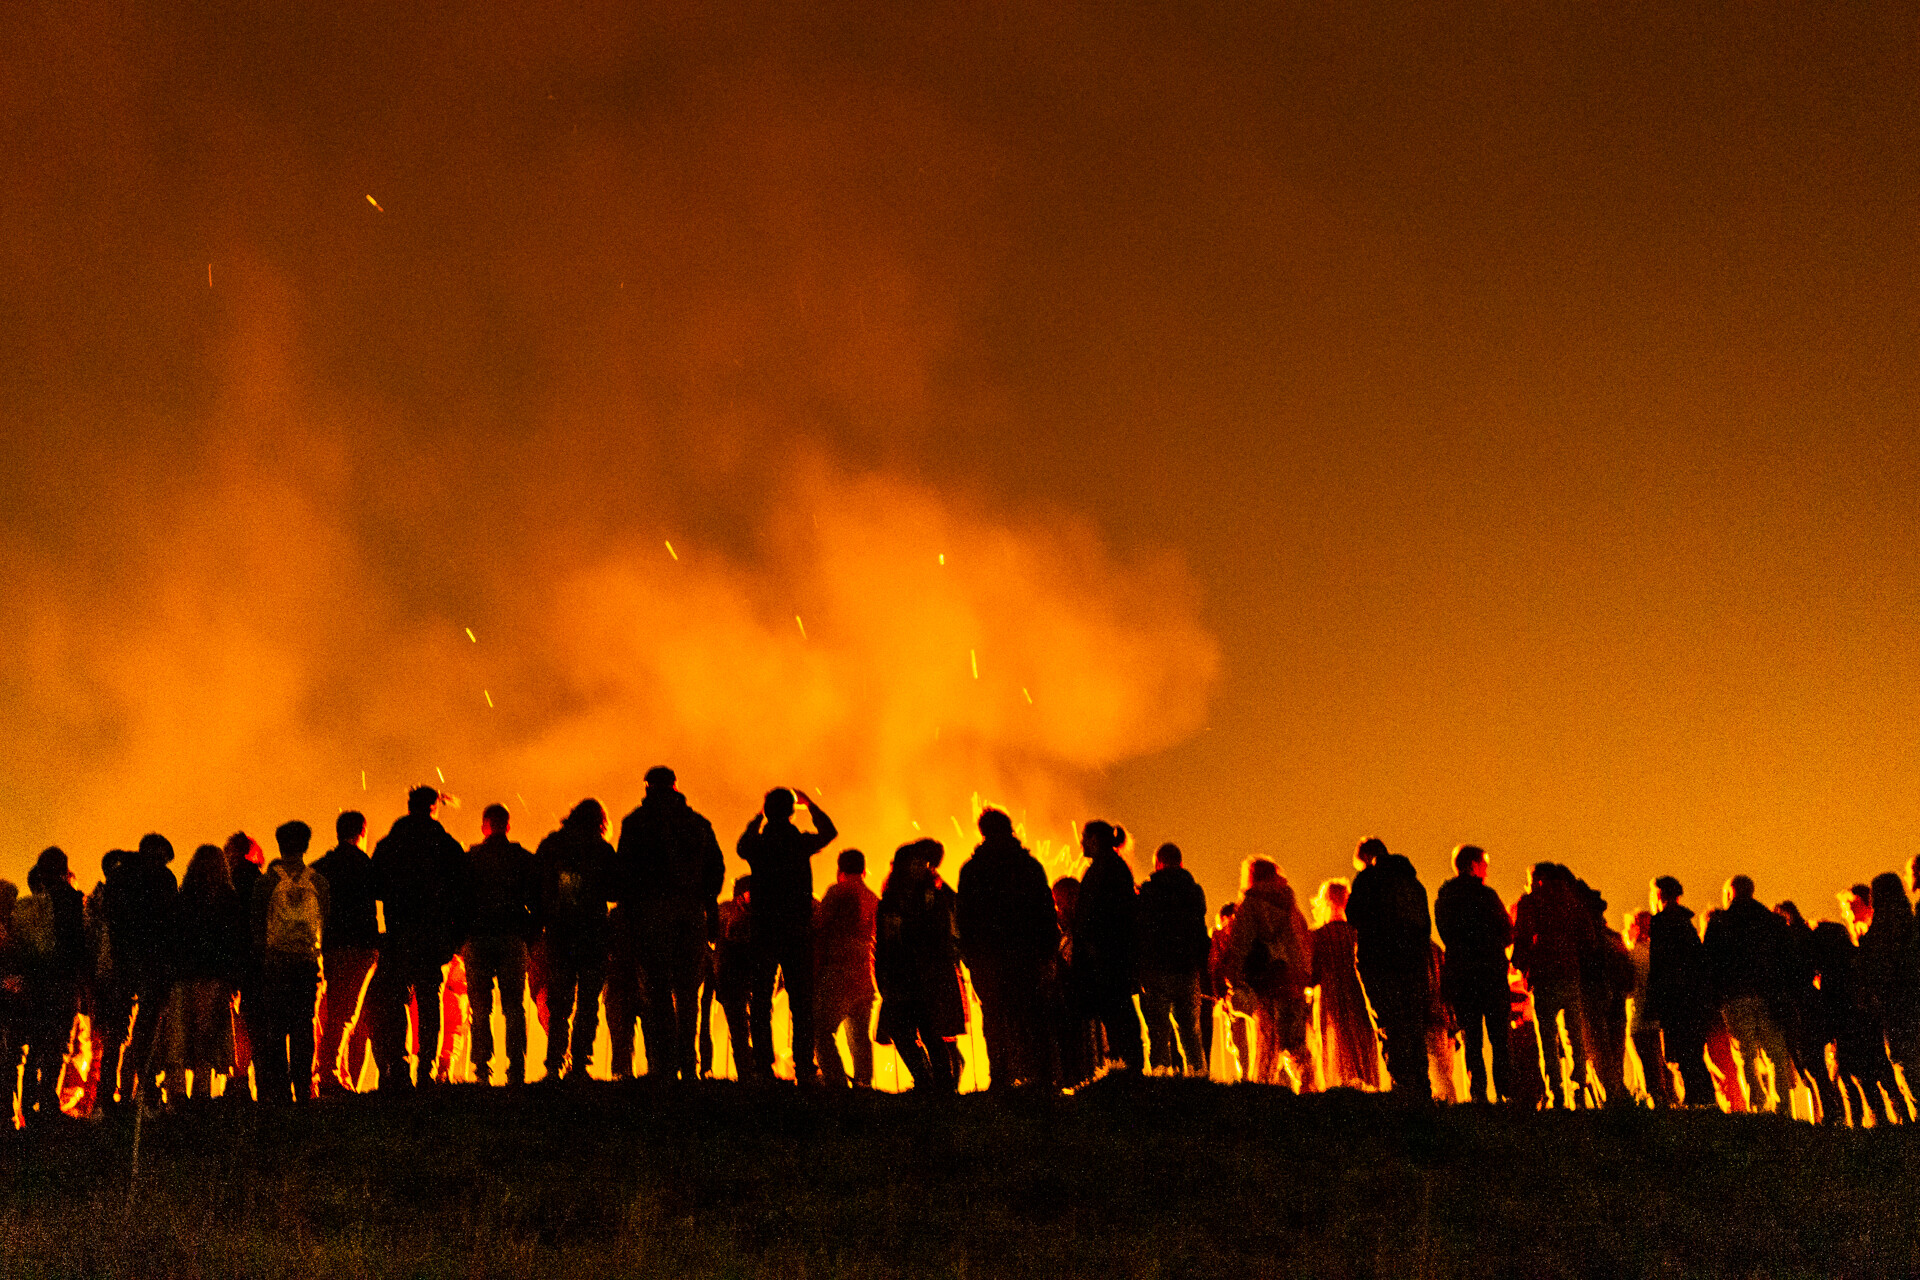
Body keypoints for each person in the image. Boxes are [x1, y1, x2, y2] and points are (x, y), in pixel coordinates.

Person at [617, 766, 726, 1082]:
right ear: (676, 787)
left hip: (651, 914)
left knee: (655, 990)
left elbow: (625, 871)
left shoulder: (636, 823)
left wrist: (631, 909)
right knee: (688, 991)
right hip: (690, 913)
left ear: (648, 787)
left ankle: (661, 1065)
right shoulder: (697, 824)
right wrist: (706, 903)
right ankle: (688, 1065)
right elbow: (716, 870)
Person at [369, 786, 469, 1090]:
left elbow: (375, 886)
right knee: (430, 1000)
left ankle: (398, 1067)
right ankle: (427, 1069)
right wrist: (455, 933)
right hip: (434, 934)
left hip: (399, 931)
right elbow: (462, 889)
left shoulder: (390, 844)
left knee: (396, 999)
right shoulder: (447, 844)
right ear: (434, 808)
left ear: (409, 806)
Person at [737, 788, 838, 1083]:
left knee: (760, 999)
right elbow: (829, 832)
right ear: (791, 812)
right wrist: (812, 806)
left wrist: (757, 817)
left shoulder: (759, 843)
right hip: (797, 928)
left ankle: (762, 1064)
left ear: (768, 811)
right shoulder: (798, 842)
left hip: (764, 927)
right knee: (802, 1001)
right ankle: (804, 1064)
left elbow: (742, 846)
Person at [956, 810, 1060, 1089]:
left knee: (994, 1017)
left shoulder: (973, 869)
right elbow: (1045, 910)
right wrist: (1048, 950)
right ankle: (1041, 1075)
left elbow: (964, 916)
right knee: (1031, 1015)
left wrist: (969, 952)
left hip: (988, 956)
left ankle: (1000, 1076)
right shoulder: (1029, 866)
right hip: (1027, 953)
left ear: (982, 832)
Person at [535, 799, 616, 1082]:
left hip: (560, 933)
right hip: (593, 933)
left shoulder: (552, 845)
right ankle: (580, 1063)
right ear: (600, 821)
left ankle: (554, 1063)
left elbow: (538, 884)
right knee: (588, 1003)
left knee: (559, 1003)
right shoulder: (602, 849)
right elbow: (614, 890)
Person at [874, 840, 964, 1092]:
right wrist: (882, 975)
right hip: (900, 973)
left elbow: (942, 934)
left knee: (930, 1032)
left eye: (920, 862)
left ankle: (942, 1084)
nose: (917, 867)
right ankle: (925, 1079)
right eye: (911, 862)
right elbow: (884, 942)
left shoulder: (934, 897)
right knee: (901, 1032)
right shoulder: (891, 900)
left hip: (925, 975)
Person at [1345, 837, 1431, 1100]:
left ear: (1365, 858)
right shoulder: (1413, 883)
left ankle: (1402, 1086)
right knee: (1413, 1023)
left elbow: (1353, 915)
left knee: (1389, 1023)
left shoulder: (1367, 880)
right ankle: (1421, 1086)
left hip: (1378, 960)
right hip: (1412, 962)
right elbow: (1425, 926)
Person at [250, 821, 329, 1103]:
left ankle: (279, 1090)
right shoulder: (318, 881)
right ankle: (304, 1087)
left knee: (275, 1026)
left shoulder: (266, 882)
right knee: (303, 1025)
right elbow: (325, 922)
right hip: (307, 962)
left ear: (279, 844)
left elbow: (257, 926)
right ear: (306, 845)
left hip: (275, 962)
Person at [1703, 874, 1795, 1113]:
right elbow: (1786, 959)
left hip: (1735, 997)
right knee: (1775, 1053)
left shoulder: (1720, 923)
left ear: (1730, 893)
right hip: (1769, 996)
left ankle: (1756, 1104)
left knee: (1745, 1054)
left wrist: (1716, 998)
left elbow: (1710, 964)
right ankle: (1782, 1106)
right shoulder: (1771, 922)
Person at [99, 834, 178, 1112]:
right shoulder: (165, 879)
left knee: (116, 1033)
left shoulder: (120, 877)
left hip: (123, 963)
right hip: (151, 964)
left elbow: (111, 918)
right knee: (145, 1034)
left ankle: (106, 1098)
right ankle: (147, 1097)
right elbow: (170, 923)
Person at [463, 803, 538, 1086]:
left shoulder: (471, 859)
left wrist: (462, 936)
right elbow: (537, 900)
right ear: (508, 825)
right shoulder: (521, 858)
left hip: (478, 936)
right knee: (514, 1007)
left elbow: (458, 899)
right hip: (512, 936)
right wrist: (529, 935)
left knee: (480, 1007)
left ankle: (482, 1068)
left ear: (484, 826)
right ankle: (516, 1069)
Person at [1222, 858, 1312, 1090]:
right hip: (1292, 980)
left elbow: (1241, 942)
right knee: (1295, 1042)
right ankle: (1309, 1088)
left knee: (1267, 1042)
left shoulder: (1251, 904)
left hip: (1266, 981)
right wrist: (1303, 974)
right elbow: (1301, 941)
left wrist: (1233, 975)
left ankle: (1262, 1094)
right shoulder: (1289, 903)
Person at [1511, 862, 1596, 1109]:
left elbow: (1522, 938)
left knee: (1547, 1038)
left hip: (1543, 977)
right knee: (1574, 1035)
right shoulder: (1572, 901)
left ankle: (1555, 1092)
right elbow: (1588, 939)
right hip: (1570, 974)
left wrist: (1521, 966)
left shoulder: (1530, 902)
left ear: (1537, 879)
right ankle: (1580, 1084)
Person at [161, 845, 241, 1104]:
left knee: (178, 1034)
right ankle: (202, 1090)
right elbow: (232, 941)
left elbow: (171, 937)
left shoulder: (183, 897)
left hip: (182, 974)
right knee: (206, 1035)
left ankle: (176, 1090)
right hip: (213, 975)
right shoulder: (228, 899)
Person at [1433, 846, 1513, 1104]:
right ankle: (1505, 1092)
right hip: (1491, 973)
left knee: (1472, 1038)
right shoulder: (1486, 895)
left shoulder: (1445, 897)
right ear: (1474, 865)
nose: (1487, 870)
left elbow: (1444, 932)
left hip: (1462, 974)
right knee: (1500, 1036)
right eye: (1484, 864)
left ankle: (1478, 1093)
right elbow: (1507, 931)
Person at [13, 850, 87, 1125]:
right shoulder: (71, 900)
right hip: (63, 981)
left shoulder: (29, 905)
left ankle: (28, 1104)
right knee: (57, 1045)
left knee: (35, 1044)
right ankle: (48, 1104)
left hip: (36, 982)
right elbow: (78, 944)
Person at [1810, 917, 1900, 1125]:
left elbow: (1830, 1004)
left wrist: (1827, 1030)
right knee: (1881, 1071)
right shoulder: (1857, 958)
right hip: (1868, 1023)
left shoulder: (1830, 970)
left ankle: (1865, 1123)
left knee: (1854, 1078)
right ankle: (1900, 1116)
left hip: (1846, 1029)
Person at [313, 812, 379, 1095]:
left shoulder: (322, 866)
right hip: (358, 945)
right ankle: (329, 1073)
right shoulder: (365, 865)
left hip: (328, 946)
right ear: (363, 831)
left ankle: (324, 1071)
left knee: (327, 1013)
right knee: (346, 1013)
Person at [1071, 820, 1143, 1073]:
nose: (1081, 842)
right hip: (1110, 954)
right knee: (1116, 1010)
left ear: (1094, 839)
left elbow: (1102, 914)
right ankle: (1125, 1064)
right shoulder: (1112, 867)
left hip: (1106, 955)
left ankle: (1126, 1066)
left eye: (1084, 837)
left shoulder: (1105, 869)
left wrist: (1091, 946)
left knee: (1116, 1011)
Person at [1135, 842, 1209, 1077]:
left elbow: (1142, 931)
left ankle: (1160, 1076)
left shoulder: (1149, 892)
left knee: (1158, 1030)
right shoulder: (1194, 892)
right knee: (1190, 1030)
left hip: (1157, 969)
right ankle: (1198, 1076)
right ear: (1181, 862)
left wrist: (1141, 966)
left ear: (1158, 863)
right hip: (1187, 969)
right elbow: (1199, 932)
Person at [1647, 876, 1716, 1107]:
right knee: (1693, 1051)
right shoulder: (1686, 924)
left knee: (1683, 1053)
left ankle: (1697, 1098)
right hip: (1693, 998)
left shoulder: (1661, 923)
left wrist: (1653, 1004)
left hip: (1674, 999)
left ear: (1659, 895)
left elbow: (1658, 966)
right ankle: (1703, 1098)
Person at [814, 848, 880, 1089]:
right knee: (860, 1034)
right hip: (864, 969)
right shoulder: (872, 897)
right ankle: (864, 1082)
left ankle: (836, 1080)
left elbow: (820, 926)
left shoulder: (837, 891)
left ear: (839, 869)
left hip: (838, 968)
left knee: (821, 1029)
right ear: (864, 869)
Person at [1857, 872, 1920, 1115]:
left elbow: (1875, 966)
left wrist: (1870, 993)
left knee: (1904, 1060)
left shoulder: (1883, 927)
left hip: (1896, 1003)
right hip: (1909, 997)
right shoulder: (1910, 918)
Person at [1308, 881, 1378, 1090]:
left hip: (1331, 1002)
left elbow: (1311, 976)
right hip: (1360, 1000)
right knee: (1363, 1054)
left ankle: (1339, 1100)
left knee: (1335, 1055)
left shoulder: (1317, 937)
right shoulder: (1360, 933)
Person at [1775, 901, 1840, 1123]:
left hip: (1796, 1006)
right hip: (1811, 1002)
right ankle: (1830, 1113)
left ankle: (1828, 1114)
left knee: (1809, 1066)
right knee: (1817, 1066)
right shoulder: (1807, 937)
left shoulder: (1785, 943)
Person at [1049, 876, 1100, 1089]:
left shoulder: (1071, 930)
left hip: (1072, 989)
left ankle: (1077, 1078)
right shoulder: (1090, 922)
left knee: (1075, 1036)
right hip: (1085, 988)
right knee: (1087, 1035)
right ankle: (1088, 1076)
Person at [1625, 909, 1672, 1106]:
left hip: (1639, 1018)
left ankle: (1654, 1106)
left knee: (1647, 1068)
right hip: (1660, 1018)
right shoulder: (1661, 953)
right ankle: (1668, 1102)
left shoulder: (1633, 956)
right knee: (1660, 1065)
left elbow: (1627, 988)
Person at [712, 876, 754, 1078]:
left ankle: (751, 1072)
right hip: (732, 977)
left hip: (743, 977)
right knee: (739, 1029)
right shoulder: (726, 911)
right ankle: (747, 1073)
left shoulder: (725, 910)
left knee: (747, 1028)